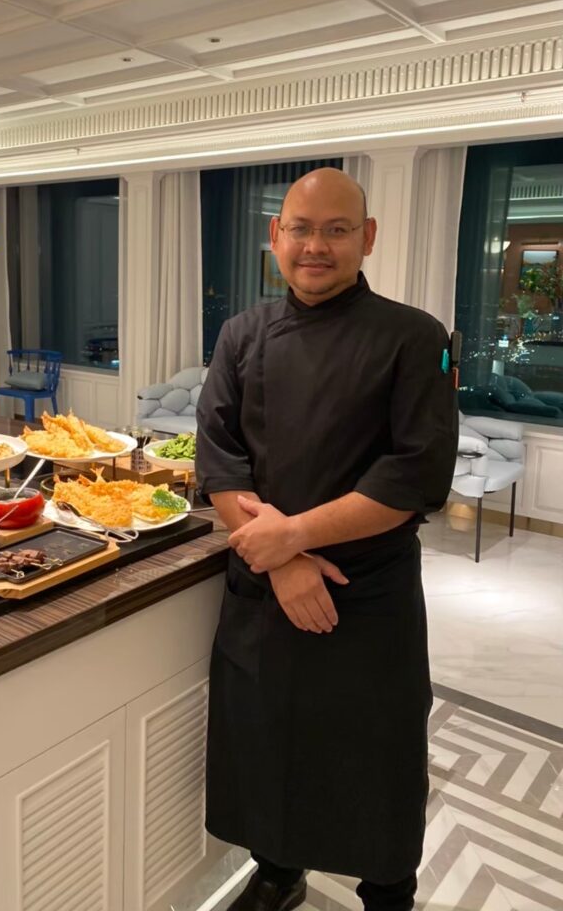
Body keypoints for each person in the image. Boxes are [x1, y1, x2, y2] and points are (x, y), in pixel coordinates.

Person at [195, 168, 458, 911]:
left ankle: (387, 891)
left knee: (375, 754)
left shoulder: (414, 336)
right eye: (301, 229)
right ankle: (277, 872)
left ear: (366, 238)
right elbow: (220, 459)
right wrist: (282, 563)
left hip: (366, 596)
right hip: (265, 592)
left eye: (337, 230)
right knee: (266, 742)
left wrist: (295, 537)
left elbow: (415, 474)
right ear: (275, 238)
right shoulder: (241, 335)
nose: (316, 246)